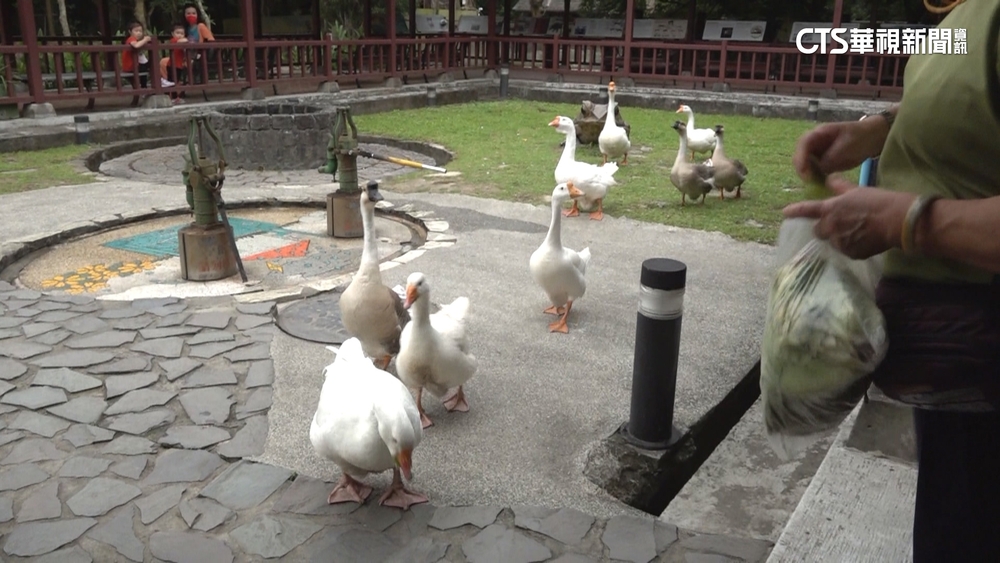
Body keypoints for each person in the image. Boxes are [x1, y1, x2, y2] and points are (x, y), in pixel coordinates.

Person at [783, 0, 1000, 561]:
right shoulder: (959, 16)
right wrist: (876, 132)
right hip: (958, 380)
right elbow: (971, 102)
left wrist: (907, 220)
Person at [182, 3, 216, 84]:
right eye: (188, 13)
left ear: (197, 14)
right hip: (186, 53)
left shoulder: (200, 26)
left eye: (194, 13)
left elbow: (211, 40)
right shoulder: (184, 29)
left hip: (198, 53)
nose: (191, 15)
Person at [159, 25, 187, 103]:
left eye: (182, 33)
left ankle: (173, 97)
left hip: (178, 66)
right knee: (171, 82)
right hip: (172, 65)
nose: (180, 35)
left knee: (174, 82)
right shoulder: (173, 40)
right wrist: (187, 39)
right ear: (172, 34)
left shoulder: (182, 43)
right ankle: (169, 97)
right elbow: (181, 41)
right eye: (177, 33)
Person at [121, 22, 152, 88]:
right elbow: (136, 45)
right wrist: (145, 39)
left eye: (140, 31)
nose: (139, 33)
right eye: (136, 31)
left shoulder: (137, 40)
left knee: (148, 67)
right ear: (130, 32)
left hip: (135, 65)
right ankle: (144, 87)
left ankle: (144, 87)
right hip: (131, 66)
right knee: (150, 67)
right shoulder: (131, 38)